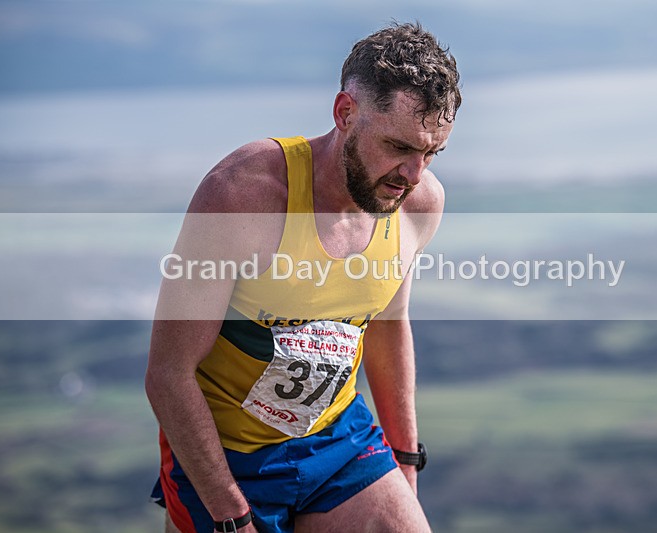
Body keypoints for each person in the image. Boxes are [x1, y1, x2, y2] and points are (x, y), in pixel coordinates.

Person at [145, 21, 461, 533]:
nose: (414, 174)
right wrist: (230, 517)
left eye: (431, 153)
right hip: (227, 456)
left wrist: (405, 459)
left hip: (337, 440)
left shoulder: (418, 204)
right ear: (345, 114)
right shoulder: (242, 194)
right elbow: (168, 375)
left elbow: (387, 324)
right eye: (400, 146)